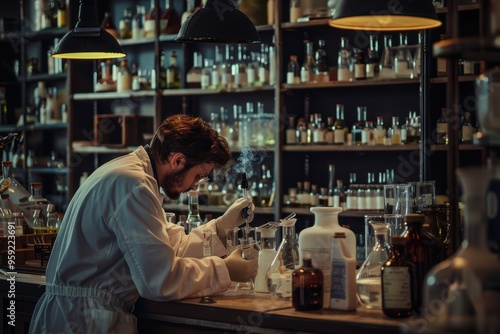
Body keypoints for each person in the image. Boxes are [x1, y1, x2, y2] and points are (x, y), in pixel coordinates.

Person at [29, 114, 257, 333]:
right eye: (198, 176)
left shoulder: (134, 177)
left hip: (78, 316)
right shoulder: (134, 184)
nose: (195, 187)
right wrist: (224, 270)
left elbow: (170, 248)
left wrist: (221, 227)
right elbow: (160, 280)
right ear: (178, 160)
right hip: (83, 321)